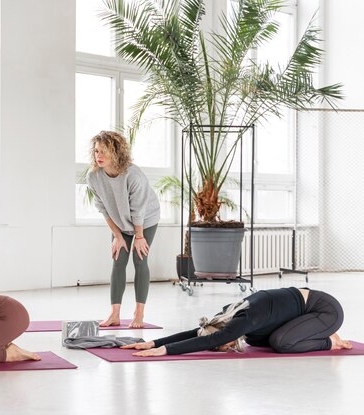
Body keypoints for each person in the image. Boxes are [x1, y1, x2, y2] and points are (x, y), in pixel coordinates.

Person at [121, 287, 352, 356]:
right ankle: (311, 332)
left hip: (325, 311)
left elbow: (214, 337)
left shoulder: (242, 321)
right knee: (261, 340)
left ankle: (330, 341)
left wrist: (164, 350)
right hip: (303, 312)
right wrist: (153, 342)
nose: (222, 347)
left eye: (218, 345)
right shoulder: (228, 316)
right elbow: (199, 332)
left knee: (282, 344)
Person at [86, 130, 161, 328]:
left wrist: (139, 236)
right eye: (96, 151)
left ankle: (139, 313)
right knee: (118, 259)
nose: (99, 156)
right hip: (119, 221)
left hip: (145, 218)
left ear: (117, 152)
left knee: (139, 258)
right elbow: (103, 208)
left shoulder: (133, 175)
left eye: (104, 151)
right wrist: (118, 236)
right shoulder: (94, 176)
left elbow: (138, 210)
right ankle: (114, 314)